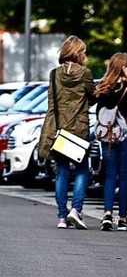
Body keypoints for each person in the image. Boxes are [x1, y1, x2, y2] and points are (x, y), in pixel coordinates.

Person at [38, 35, 96, 229]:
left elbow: (51, 105)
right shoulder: (85, 73)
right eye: (84, 52)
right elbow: (93, 96)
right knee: (81, 169)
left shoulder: (54, 74)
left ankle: (62, 217)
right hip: (79, 130)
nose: (85, 55)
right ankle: (76, 210)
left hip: (60, 130)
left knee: (61, 172)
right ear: (77, 53)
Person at [95, 53, 127, 231]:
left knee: (109, 175)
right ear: (123, 68)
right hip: (125, 136)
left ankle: (107, 214)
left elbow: (99, 114)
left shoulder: (103, 88)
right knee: (124, 176)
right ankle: (122, 218)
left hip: (107, 136)